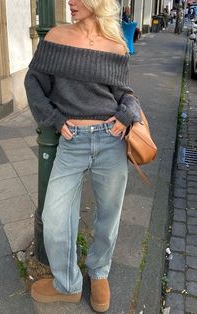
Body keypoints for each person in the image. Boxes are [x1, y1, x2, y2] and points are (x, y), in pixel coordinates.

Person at [24, 0, 141, 312]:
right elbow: (33, 82)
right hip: (71, 141)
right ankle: (68, 283)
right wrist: (55, 120)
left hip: (110, 141)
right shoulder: (56, 38)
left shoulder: (116, 46)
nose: (71, 2)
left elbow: (124, 93)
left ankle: (99, 272)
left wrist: (127, 112)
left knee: (108, 215)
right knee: (54, 218)